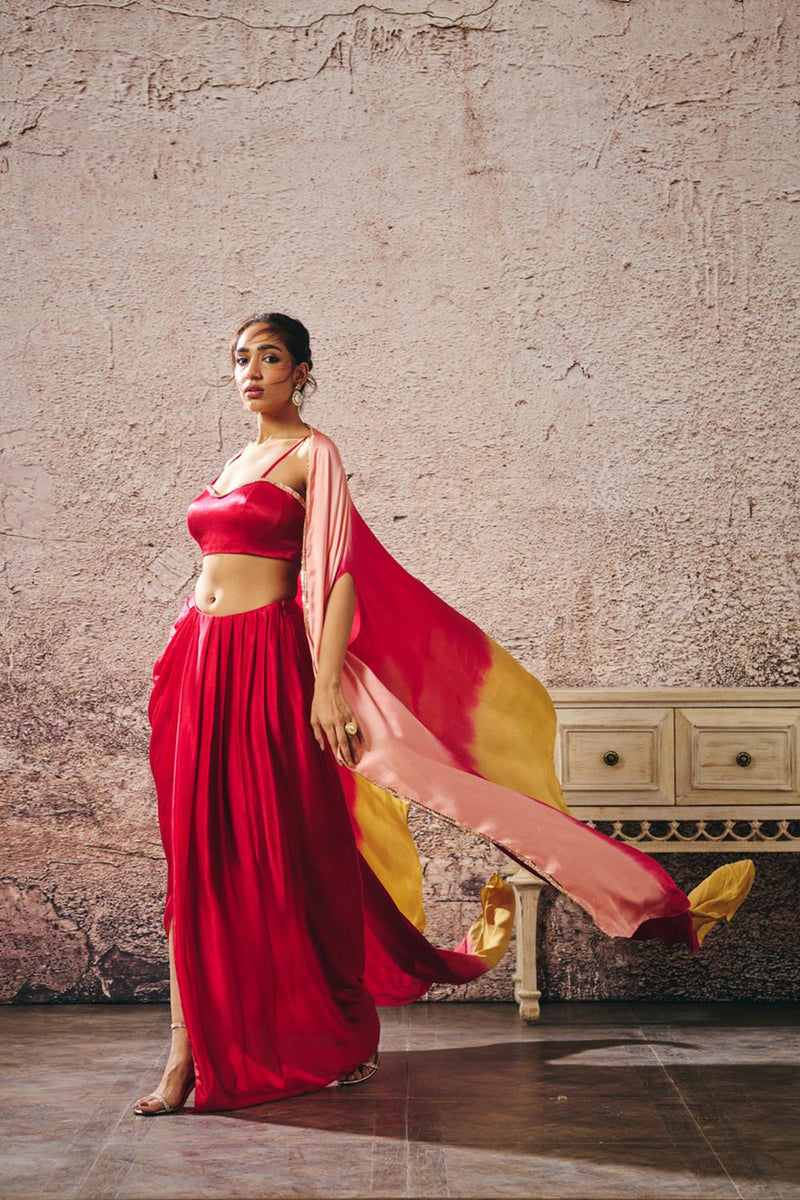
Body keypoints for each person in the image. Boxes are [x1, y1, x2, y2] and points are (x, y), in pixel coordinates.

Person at [134, 312, 754, 1116]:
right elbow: (212, 570)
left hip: (268, 666)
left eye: (271, 358)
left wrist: (325, 686)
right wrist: (185, 647)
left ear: (302, 370)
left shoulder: (312, 454)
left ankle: (312, 1032)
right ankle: (185, 1049)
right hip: (205, 665)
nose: (251, 371)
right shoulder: (232, 463)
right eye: (240, 358)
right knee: (195, 858)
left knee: (277, 854)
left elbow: (338, 572)